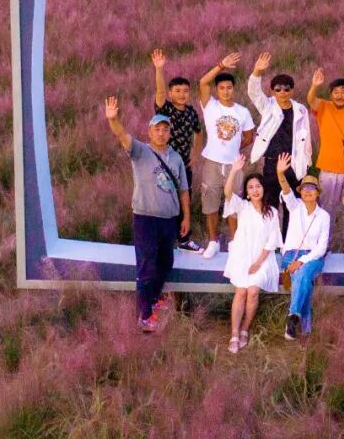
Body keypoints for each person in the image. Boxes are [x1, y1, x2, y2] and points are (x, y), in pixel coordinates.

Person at [103, 97, 190, 332]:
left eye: (165, 129)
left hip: (169, 219)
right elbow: (122, 135)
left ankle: (154, 297)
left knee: (165, 262)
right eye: (157, 129)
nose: (161, 133)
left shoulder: (176, 158)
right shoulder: (141, 151)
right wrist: (113, 119)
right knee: (146, 265)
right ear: (150, 132)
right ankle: (145, 314)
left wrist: (186, 217)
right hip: (146, 218)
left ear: (170, 133)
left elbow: (183, 190)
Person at [197, 53, 256, 258]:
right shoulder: (210, 106)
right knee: (210, 202)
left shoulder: (242, 112)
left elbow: (249, 136)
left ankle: (234, 241)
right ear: (217, 90)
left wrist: (236, 148)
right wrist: (221, 65)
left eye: (229, 88)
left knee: (234, 202)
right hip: (212, 162)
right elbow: (203, 82)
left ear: (234, 89)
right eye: (221, 88)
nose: (225, 91)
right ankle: (213, 241)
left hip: (234, 164)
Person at [221, 154, 281, 354]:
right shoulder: (242, 207)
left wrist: (258, 263)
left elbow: (272, 241)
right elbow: (227, 192)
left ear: (263, 189)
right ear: (247, 193)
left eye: (258, 186)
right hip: (242, 254)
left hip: (263, 257)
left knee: (253, 291)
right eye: (251, 187)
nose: (255, 190)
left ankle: (245, 328)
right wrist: (234, 170)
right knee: (241, 291)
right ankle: (234, 333)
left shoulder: (272, 212)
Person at [248, 52, 312, 230]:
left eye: (286, 89)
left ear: (292, 90)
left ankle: (288, 240)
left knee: (292, 206)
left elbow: (306, 138)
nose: (282, 92)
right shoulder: (267, 106)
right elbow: (253, 92)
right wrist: (257, 71)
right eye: (278, 89)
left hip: (294, 164)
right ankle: (272, 240)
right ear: (272, 91)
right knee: (271, 205)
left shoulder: (301, 110)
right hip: (272, 163)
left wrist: (307, 163)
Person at [307, 68, 344, 249]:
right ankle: (324, 244)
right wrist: (315, 85)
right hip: (329, 169)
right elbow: (311, 100)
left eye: (343, 92)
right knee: (327, 209)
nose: (340, 96)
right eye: (336, 92)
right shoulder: (324, 108)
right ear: (331, 94)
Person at [151, 48, 204, 252]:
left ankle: (183, 240)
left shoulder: (191, 112)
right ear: (171, 93)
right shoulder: (166, 109)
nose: (182, 94)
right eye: (178, 91)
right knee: (162, 198)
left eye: (185, 91)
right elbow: (159, 93)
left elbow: (198, 132)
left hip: (183, 164)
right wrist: (159, 69)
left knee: (184, 199)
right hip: (163, 164)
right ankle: (161, 240)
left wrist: (195, 154)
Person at [276, 152, 329, 340]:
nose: (307, 191)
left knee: (303, 273)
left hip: (313, 257)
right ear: (300, 192)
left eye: (312, 188)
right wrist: (280, 173)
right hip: (290, 255)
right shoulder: (295, 206)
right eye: (304, 188)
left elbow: (321, 248)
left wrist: (302, 261)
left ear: (317, 193)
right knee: (303, 278)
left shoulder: (323, 216)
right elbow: (285, 190)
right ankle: (305, 329)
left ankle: (293, 316)